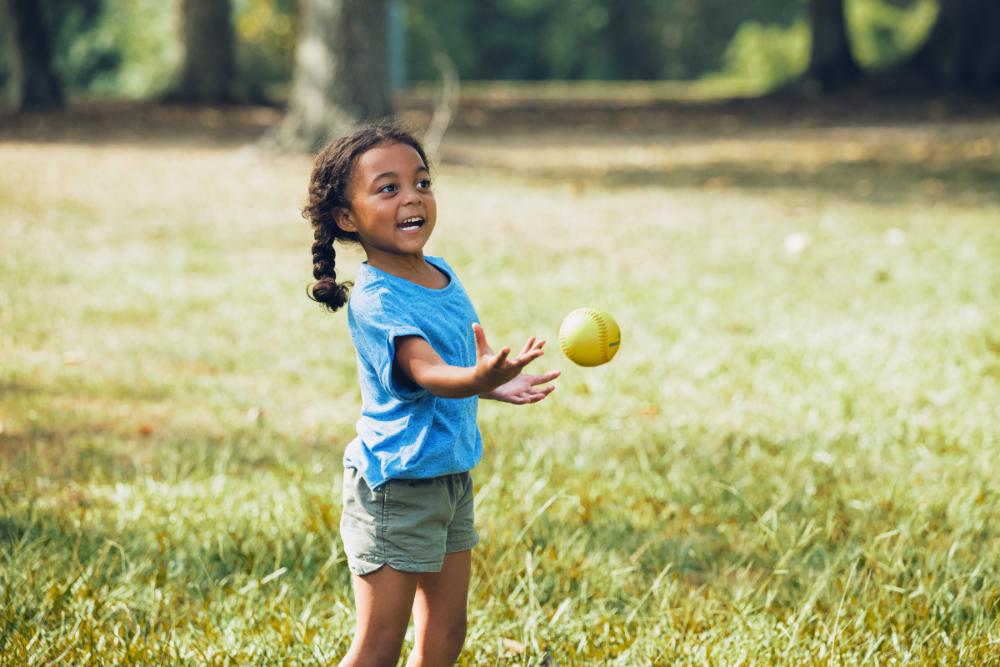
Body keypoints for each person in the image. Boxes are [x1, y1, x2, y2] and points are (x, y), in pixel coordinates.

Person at [304, 124, 560, 667]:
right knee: (379, 645)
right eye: (388, 188)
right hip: (396, 485)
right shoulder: (375, 299)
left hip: (447, 475)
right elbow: (427, 372)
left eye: (421, 181)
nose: (413, 196)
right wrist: (477, 380)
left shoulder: (440, 273)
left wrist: (493, 383)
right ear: (347, 218)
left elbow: (455, 368)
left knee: (446, 631)